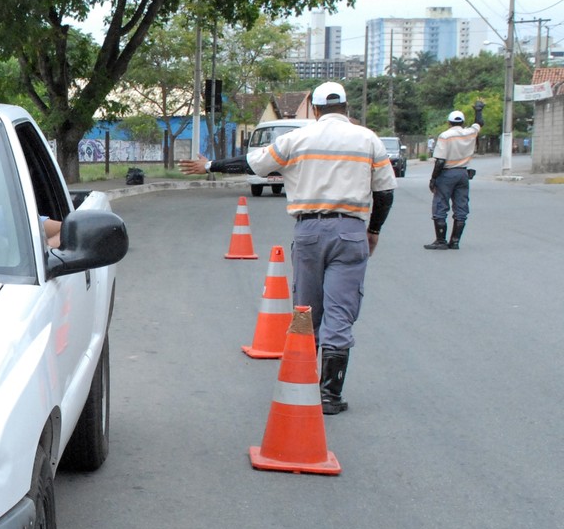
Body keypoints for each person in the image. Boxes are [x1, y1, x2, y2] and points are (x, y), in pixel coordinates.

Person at [179, 82, 396, 415]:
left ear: (317, 110)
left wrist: (211, 166)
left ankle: (302, 382)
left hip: (309, 231)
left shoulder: (299, 138)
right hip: (351, 232)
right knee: (341, 311)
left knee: (306, 310)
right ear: (347, 108)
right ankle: (330, 395)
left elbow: (253, 164)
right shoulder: (368, 139)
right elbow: (384, 193)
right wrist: (373, 230)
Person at [424, 104, 483, 250]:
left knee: (440, 206)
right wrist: (478, 110)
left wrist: (433, 179)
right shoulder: (470, 133)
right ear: (462, 122)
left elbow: (440, 161)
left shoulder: (445, 136)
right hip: (463, 173)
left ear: (449, 122)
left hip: (447, 174)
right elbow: (479, 123)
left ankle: (441, 241)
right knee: (461, 207)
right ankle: (455, 241)